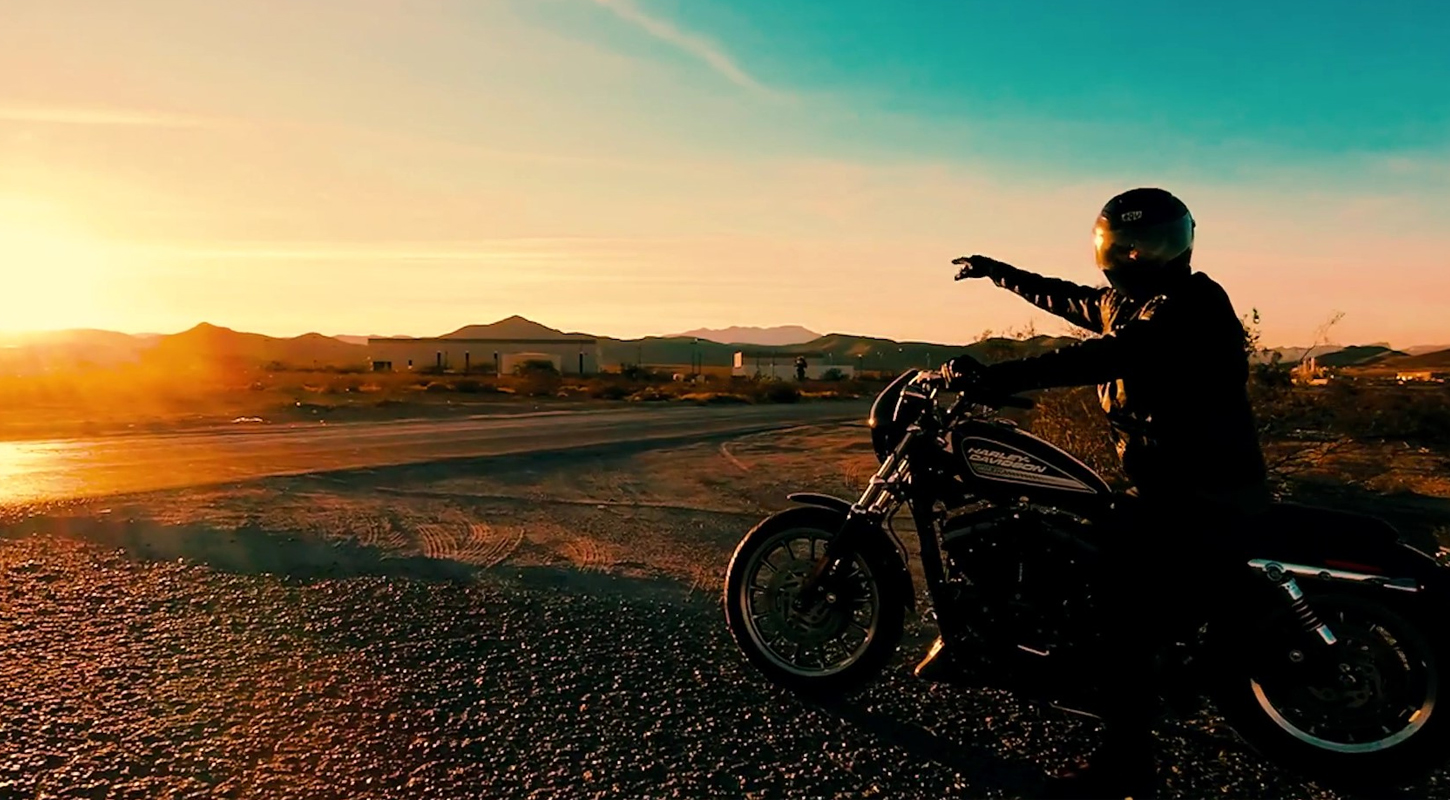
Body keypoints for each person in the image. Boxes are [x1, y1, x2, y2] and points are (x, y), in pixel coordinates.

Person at [919, 187, 1270, 799]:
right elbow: (1063, 297)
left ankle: (1126, 763)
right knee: (1074, 551)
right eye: (1124, 244)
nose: (1136, 255)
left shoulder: (1192, 303)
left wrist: (994, 377)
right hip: (1166, 487)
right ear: (1107, 248)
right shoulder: (1126, 303)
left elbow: (1105, 357)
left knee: (1119, 606)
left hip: (1205, 493)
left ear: (1182, 242)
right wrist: (998, 273)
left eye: (1152, 242)